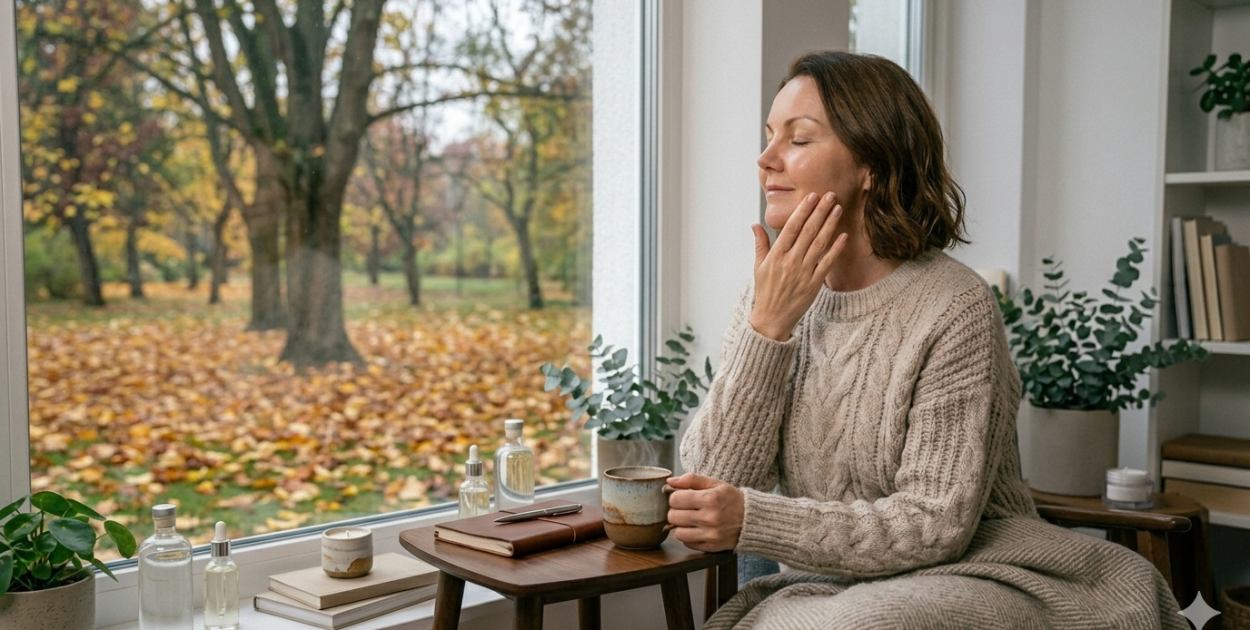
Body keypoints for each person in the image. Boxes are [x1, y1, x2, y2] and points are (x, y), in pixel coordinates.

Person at [665, 50, 1186, 630]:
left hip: (982, 569)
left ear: (871, 165)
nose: (765, 160)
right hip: (826, 582)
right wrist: (768, 331)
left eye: (799, 139)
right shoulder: (772, 297)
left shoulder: (955, 306)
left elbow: (935, 524)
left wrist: (758, 524)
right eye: (769, 136)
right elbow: (707, 485)